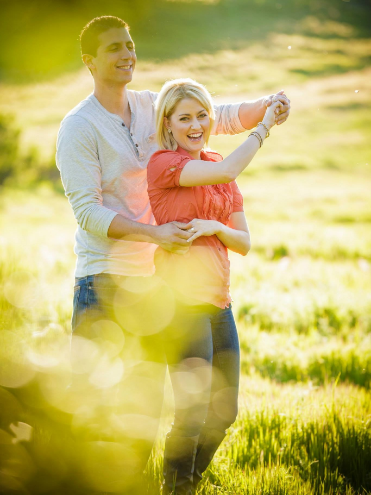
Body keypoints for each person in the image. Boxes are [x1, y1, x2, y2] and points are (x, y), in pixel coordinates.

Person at [56, 15, 290, 494]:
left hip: (154, 286)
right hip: (103, 281)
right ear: (90, 62)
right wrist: (155, 233)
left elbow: (214, 115)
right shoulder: (79, 127)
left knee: (143, 416)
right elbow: (87, 212)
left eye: (130, 44)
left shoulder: (148, 107)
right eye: (114, 48)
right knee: (101, 417)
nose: (126, 54)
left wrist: (265, 106)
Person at [147, 78, 283, 494]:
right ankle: (177, 488)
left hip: (219, 306)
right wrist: (262, 128)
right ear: (168, 124)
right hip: (180, 306)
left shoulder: (220, 168)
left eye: (202, 115)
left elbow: (244, 242)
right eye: (184, 117)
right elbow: (227, 169)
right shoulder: (163, 164)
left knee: (223, 413)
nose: (196, 124)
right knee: (191, 413)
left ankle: (189, 481)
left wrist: (213, 227)